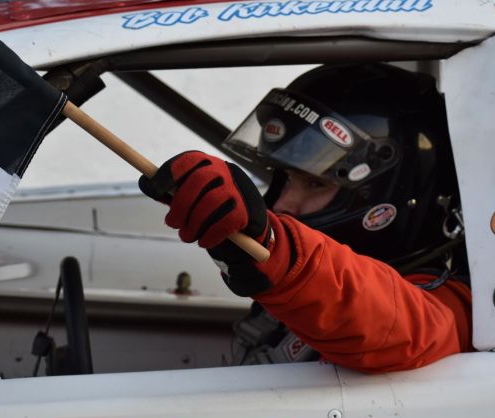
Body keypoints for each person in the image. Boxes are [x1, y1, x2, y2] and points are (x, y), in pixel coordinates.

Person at [139, 63, 473, 373]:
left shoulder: (451, 310)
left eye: (315, 184)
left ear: (386, 196)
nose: (284, 204)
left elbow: (388, 323)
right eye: (285, 178)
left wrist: (276, 248)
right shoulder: (296, 299)